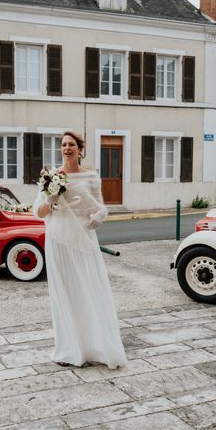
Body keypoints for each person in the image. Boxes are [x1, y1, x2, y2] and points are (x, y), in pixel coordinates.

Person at [32, 131, 127, 369]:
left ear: (80, 149)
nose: (66, 148)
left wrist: (100, 215)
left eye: (71, 144)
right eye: (63, 144)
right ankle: (68, 349)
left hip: (84, 240)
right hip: (58, 239)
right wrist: (49, 201)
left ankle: (94, 346)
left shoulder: (92, 177)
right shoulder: (50, 176)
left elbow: (100, 207)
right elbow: (38, 212)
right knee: (63, 293)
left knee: (87, 289)